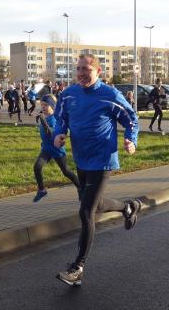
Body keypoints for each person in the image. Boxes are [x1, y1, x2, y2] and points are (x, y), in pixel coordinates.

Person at [53, 54, 142, 286]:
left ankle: (78, 268)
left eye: (86, 69)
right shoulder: (68, 94)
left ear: (98, 71)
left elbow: (131, 118)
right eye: (78, 69)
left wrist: (131, 139)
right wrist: (59, 134)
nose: (81, 73)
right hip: (81, 158)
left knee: (86, 212)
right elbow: (61, 118)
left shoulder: (110, 95)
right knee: (96, 204)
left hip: (102, 159)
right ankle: (128, 207)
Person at [33, 94, 80, 202]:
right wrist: (42, 120)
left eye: (46, 105)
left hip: (56, 149)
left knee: (66, 171)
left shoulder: (55, 119)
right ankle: (42, 190)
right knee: (37, 167)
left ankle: (80, 187)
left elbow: (52, 135)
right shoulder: (44, 116)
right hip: (46, 149)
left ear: (53, 106)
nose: (43, 107)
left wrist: (43, 122)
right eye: (42, 105)